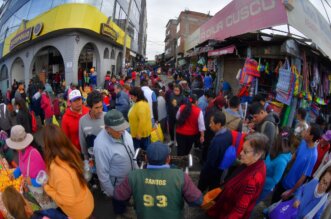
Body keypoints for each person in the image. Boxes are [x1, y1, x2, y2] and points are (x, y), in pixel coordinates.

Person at [113, 142, 203, 219]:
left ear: (146, 158)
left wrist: (121, 210)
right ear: (168, 159)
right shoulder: (180, 176)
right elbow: (197, 201)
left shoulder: (133, 176)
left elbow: (118, 196)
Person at [207, 133, 267, 219]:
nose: (241, 153)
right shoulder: (256, 164)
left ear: (258, 154)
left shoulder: (252, 180)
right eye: (242, 149)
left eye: (245, 152)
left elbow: (239, 211)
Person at [43, 124, 94, 218]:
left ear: (47, 144)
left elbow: (68, 200)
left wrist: (48, 188)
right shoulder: (71, 152)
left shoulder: (58, 169)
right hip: (85, 201)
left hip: (79, 212)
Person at [94, 110, 137, 216]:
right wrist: (113, 193)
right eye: (118, 129)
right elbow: (102, 173)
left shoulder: (123, 132)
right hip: (118, 186)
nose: (122, 131)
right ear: (107, 128)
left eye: (123, 127)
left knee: (126, 198)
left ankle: (126, 203)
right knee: (119, 206)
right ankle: (120, 212)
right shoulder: (101, 146)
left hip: (130, 179)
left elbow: (132, 154)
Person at [272, 124, 322, 203]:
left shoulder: (313, 156)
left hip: (291, 188)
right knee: (273, 200)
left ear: (311, 136)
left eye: (307, 131)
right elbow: (295, 155)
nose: (304, 132)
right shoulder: (303, 142)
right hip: (285, 179)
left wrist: (290, 192)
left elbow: (303, 177)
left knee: (277, 210)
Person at [198, 111, 232, 192]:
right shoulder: (228, 133)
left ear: (219, 124)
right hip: (220, 171)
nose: (209, 125)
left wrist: (204, 172)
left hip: (211, 172)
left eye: (211, 123)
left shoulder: (216, 141)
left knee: (201, 189)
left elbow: (210, 161)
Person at [257, 130, 292, 203]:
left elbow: (275, 180)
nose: (275, 141)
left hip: (264, 187)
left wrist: (259, 178)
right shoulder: (275, 150)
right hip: (258, 181)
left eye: (277, 139)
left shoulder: (281, 161)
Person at [6, 125, 46, 189]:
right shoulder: (21, 152)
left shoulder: (34, 154)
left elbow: (44, 177)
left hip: (40, 189)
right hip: (31, 189)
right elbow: (23, 166)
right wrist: (15, 174)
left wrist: (32, 182)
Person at [79, 90, 105, 160]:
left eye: (101, 106)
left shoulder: (106, 117)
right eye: (96, 108)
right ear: (89, 108)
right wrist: (86, 159)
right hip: (92, 159)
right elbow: (83, 143)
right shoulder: (82, 121)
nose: (100, 110)